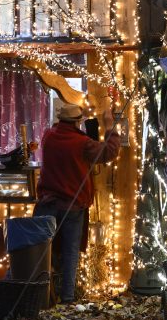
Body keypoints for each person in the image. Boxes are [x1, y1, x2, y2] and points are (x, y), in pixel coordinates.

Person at [33, 102, 123, 304]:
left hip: (47, 202)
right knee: (70, 251)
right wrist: (110, 127)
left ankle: (37, 292)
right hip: (72, 204)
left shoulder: (48, 136)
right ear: (77, 122)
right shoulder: (82, 143)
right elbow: (109, 152)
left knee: (39, 248)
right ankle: (67, 296)